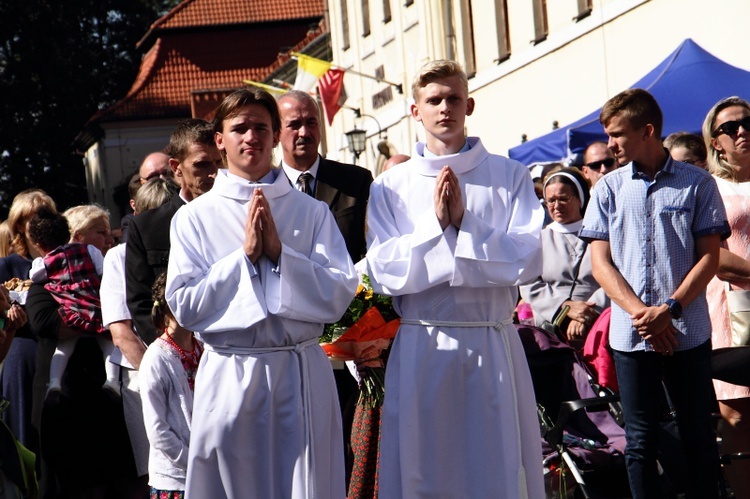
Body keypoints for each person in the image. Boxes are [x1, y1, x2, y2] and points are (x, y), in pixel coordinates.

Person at [166, 88, 358, 498]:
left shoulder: (311, 211)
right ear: (220, 140)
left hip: (301, 370)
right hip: (232, 374)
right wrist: (245, 258)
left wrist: (281, 255)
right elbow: (184, 305)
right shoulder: (193, 219)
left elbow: (340, 292)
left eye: (260, 127)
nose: (251, 136)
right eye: (239, 128)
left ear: (274, 137)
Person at [365, 60, 545, 498]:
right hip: (423, 344)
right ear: (415, 111)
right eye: (434, 100)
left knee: (496, 466)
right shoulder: (391, 186)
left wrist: (465, 224)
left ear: (470, 104)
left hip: (490, 341)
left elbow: (529, 258)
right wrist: (436, 226)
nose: (444, 108)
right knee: (426, 466)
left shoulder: (509, 175)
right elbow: (385, 270)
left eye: (453, 99)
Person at [581, 88, 726, 498]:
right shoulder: (607, 189)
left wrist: (671, 308)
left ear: (647, 131)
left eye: (617, 134)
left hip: (688, 331)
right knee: (640, 442)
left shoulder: (697, 183)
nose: (610, 145)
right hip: (631, 336)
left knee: (698, 436)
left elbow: (709, 258)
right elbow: (600, 264)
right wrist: (643, 314)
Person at [277, 89, 373, 481]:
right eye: (293, 124)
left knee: (350, 450)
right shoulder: (264, 192)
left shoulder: (355, 181)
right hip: (288, 342)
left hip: (351, 340)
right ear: (277, 132)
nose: (303, 131)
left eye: (311, 121)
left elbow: (371, 255)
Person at [102, 177, 181, 492]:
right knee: (159, 463)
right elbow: (122, 331)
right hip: (142, 373)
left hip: (189, 367)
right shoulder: (118, 257)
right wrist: (163, 370)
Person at [126, 119, 221, 346]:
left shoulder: (239, 216)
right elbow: (140, 304)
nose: (214, 173)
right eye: (202, 164)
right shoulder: (147, 227)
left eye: (220, 162)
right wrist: (176, 351)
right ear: (176, 167)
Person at [702, 96, 750, 498]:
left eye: (748, 122)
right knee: (736, 414)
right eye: (730, 127)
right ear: (714, 141)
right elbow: (711, 255)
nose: (742, 131)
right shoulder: (708, 187)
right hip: (730, 308)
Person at [26, 208, 118, 400]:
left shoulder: (45, 262)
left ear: (38, 243)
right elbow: (104, 273)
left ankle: (54, 383)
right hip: (94, 306)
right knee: (109, 343)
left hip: (72, 309)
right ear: (72, 234)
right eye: (101, 233)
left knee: (63, 347)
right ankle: (112, 381)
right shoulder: (89, 251)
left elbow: (35, 276)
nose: (109, 240)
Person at [520, 166, 609, 344]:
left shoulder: (602, 235)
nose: (556, 206)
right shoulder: (538, 239)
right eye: (550, 200)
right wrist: (565, 308)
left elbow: (616, 277)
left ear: (580, 199)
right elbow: (529, 283)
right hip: (551, 328)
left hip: (599, 323)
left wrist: (586, 314)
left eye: (563, 198)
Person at [0, 189, 55, 458]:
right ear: (19, 224)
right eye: (35, 217)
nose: (42, 223)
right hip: (22, 355)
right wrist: (8, 319)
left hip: (58, 354)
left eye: (48, 216)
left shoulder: (61, 262)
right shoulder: (7, 266)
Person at [140, 271, 202, 499]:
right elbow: (157, 430)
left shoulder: (203, 349)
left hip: (207, 472)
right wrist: (194, 461)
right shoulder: (157, 358)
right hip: (176, 481)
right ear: (168, 307)